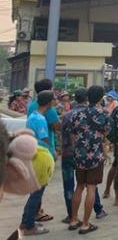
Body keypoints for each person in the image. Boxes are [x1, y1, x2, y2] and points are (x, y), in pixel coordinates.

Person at [61, 89, 107, 225]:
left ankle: (73, 219)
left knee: (79, 187)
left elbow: (72, 134)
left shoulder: (76, 114)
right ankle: (86, 224)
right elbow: (106, 134)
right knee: (91, 188)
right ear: (100, 99)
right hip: (95, 156)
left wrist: (77, 149)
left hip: (78, 155)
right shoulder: (103, 114)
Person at [21, 90, 56, 235]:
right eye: (53, 100)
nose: (55, 102)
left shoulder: (33, 116)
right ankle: (29, 226)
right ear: (49, 103)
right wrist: (54, 152)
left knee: (34, 192)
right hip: (41, 156)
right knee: (36, 193)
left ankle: (26, 221)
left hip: (33, 153)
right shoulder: (40, 119)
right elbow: (45, 139)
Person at [27, 79, 60, 161]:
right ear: (49, 102)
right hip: (43, 150)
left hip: (32, 146)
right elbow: (45, 137)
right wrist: (52, 150)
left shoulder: (32, 107)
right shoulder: (42, 117)